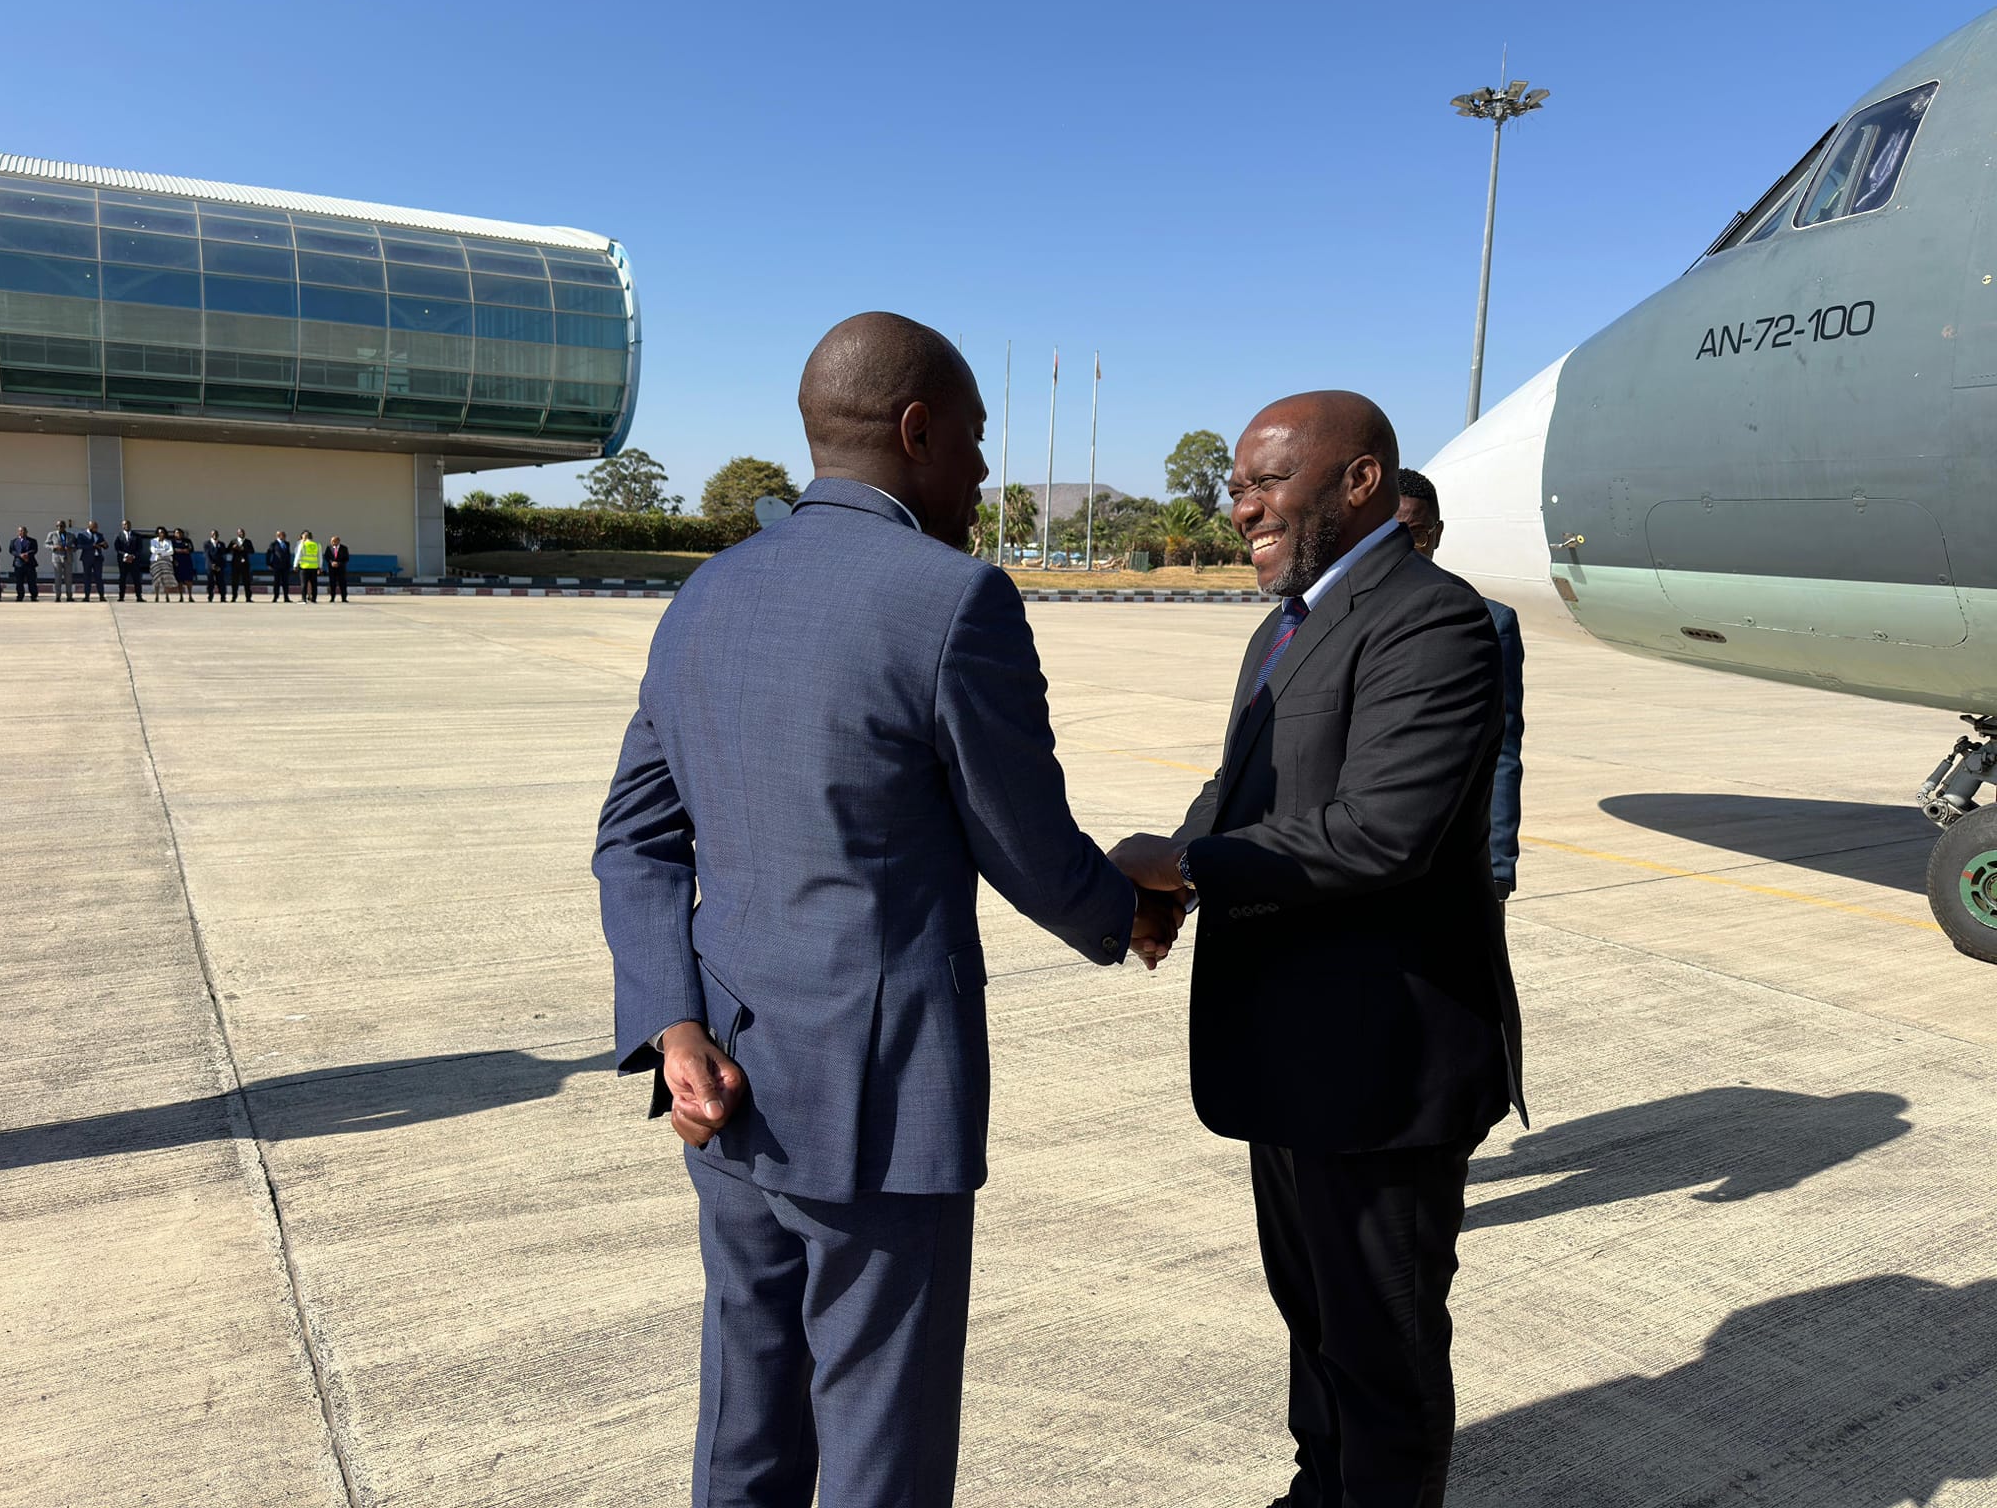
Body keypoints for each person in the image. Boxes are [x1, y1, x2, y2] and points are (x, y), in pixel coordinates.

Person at [594, 311, 1181, 1508]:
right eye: (970, 440)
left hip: (725, 1081)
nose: (978, 471)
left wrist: (673, 1024)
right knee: (881, 1435)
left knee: (744, 1412)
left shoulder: (704, 594)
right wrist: (1124, 904)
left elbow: (634, 839)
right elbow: (1021, 842)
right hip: (878, 1103)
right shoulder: (951, 600)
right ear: (915, 431)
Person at [1109, 392, 1524, 1508]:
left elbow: (1380, 833)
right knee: (1313, 1320)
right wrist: (1168, 888)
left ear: (1358, 482)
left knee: (1380, 1347)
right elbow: (1239, 791)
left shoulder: (1430, 620)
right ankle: (1316, 1488)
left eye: (1264, 482)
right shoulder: (1283, 621)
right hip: (1286, 1052)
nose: (1240, 505)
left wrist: (1185, 866)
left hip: (1376, 1066)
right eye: (1236, 485)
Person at [1395, 469, 1525, 902]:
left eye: (1415, 534)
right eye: (1389, 533)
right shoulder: (1334, 618)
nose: (1402, 548)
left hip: (1454, 865)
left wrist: (1499, 867)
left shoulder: (1488, 621)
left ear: (1436, 535)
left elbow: (1503, 752)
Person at [113, 520, 147, 603]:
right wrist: (125, 555)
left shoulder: (137, 535)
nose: (127, 525)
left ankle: (139, 596)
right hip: (123, 561)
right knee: (122, 579)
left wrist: (133, 556)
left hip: (134, 561)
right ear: (122, 526)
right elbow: (117, 548)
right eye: (125, 524)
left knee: (136, 579)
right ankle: (121, 597)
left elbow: (140, 548)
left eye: (128, 524)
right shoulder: (118, 535)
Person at [76, 521, 107, 600]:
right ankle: (87, 596)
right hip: (87, 559)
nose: (96, 529)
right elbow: (79, 545)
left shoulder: (99, 535)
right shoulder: (82, 535)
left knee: (99, 577)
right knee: (87, 578)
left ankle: (101, 596)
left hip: (97, 559)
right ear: (89, 527)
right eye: (94, 527)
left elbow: (105, 546)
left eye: (96, 527)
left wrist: (105, 545)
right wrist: (92, 545)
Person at [45, 519, 75, 602]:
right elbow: (46, 544)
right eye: (58, 526)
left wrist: (70, 548)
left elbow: (76, 545)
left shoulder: (71, 535)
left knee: (68, 578)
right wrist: (54, 547)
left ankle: (69, 596)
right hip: (57, 558)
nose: (59, 527)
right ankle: (58, 596)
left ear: (65, 526)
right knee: (57, 578)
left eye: (61, 526)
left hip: (67, 558)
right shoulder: (52, 534)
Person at [9, 527, 40, 602]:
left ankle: (33, 596)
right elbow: (12, 551)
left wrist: (27, 554)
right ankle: (20, 596)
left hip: (30, 563)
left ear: (26, 532)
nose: (22, 532)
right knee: (19, 581)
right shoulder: (14, 541)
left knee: (32, 581)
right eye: (20, 531)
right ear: (18, 532)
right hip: (18, 564)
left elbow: (34, 550)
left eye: (24, 531)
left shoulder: (32, 541)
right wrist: (20, 555)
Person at [148, 527, 177, 602]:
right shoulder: (153, 541)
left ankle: (167, 596)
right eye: (159, 532)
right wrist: (164, 551)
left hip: (166, 562)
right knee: (156, 579)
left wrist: (160, 552)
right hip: (156, 561)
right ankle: (156, 596)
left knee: (166, 580)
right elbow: (153, 550)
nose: (161, 534)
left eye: (162, 532)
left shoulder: (168, 541)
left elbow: (171, 551)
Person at [265, 530, 294, 603]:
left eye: (284, 535)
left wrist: (289, 563)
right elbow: (269, 554)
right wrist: (269, 564)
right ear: (278, 536)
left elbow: (288, 554)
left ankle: (286, 597)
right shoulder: (274, 544)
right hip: (277, 566)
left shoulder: (287, 544)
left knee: (285, 582)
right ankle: (275, 597)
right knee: (277, 582)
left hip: (285, 566)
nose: (284, 537)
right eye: (282, 535)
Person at [228, 528, 255, 602]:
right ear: (237, 533)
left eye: (243, 532)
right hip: (235, 564)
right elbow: (227, 550)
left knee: (247, 581)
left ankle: (248, 598)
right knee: (235, 582)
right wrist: (233, 548)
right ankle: (234, 597)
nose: (242, 534)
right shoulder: (233, 541)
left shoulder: (248, 542)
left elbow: (252, 551)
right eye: (240, 532)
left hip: (245, 564)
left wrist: (244, 548)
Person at [172, 526, 198, 603]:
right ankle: (181, 597)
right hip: (177, 563)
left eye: (180, 533)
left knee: (188, 580)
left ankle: (190, 596)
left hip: (187, 563)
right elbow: (171, 551)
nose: (178, 534)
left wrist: (178, 550)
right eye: (177, 533)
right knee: (179, 581)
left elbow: (190, 550)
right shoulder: (172, 542)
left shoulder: (187, 541)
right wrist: (182, 551)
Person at [294, 530, 321, 602]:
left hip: (304, 567)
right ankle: (314, 599)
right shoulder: (317, 544)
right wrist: (320, 566)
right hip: (314, 567)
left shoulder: (302, 544)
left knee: (304, 584)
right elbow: (319, 557)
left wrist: (295, 565)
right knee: (314, 584)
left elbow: (298, 555)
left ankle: (304, 599)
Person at [324, 535, 351, 602]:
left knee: (342, 584)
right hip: (332, 569)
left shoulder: (344, 548)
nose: (332, 542)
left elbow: (346, 558)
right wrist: (331, 562)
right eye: (331, 541)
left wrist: (338, 563)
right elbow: (326, 557)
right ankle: (332, 597)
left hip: (341, 569)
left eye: (333, 541)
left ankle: (344, 598)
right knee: (332, 584)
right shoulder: (329, 548)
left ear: (338, 541)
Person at [204, 531, 228, 603]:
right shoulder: (207, 543)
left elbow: (223, 555)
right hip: (210, 566)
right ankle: (210, 597)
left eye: (216, 534)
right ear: (211, 535)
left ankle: (223, 597)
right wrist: (212, 564)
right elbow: (207, 555)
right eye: (213, 534)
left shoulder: (221, 544)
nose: (215, 535)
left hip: (219, 566)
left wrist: (219, 565)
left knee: (221, 582)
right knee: (210, 582)